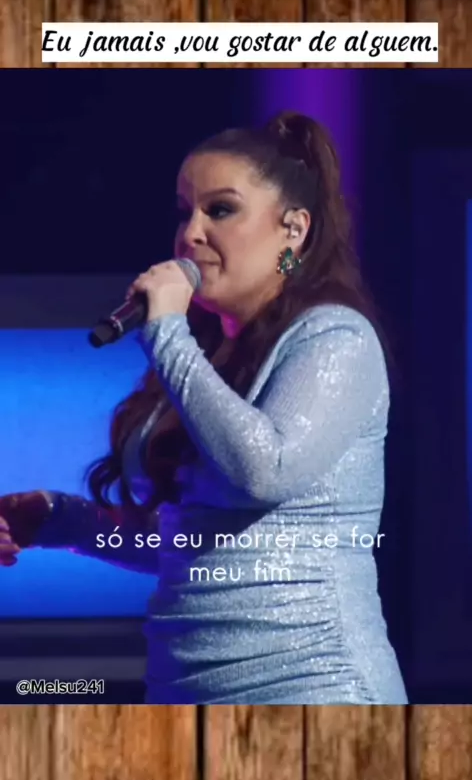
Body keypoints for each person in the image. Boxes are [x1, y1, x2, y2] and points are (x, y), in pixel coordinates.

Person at [0, 110, 408, 705]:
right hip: (185, 691)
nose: (190, 234)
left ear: (293, 229)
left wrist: (168, 332)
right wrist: (54, 518)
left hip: (315, 687)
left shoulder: (335, 338)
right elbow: (188, 543)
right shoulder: (208, 356)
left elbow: (264, 470)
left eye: (219, 210)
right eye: (183, 212)